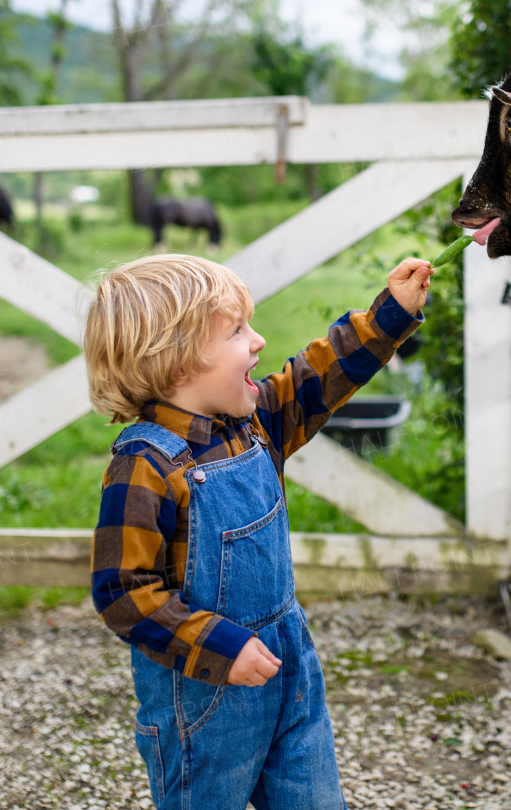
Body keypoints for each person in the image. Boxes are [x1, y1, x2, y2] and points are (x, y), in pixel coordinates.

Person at [83, 252, 431, 809]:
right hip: (202, 694)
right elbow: (123, 592)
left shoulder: (254, 424)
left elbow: (318, 376)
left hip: (287, 663)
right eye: (237, 331)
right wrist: (221, 645)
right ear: (177, 362)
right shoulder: (145, 467)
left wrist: (389, 314)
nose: (259, 341)